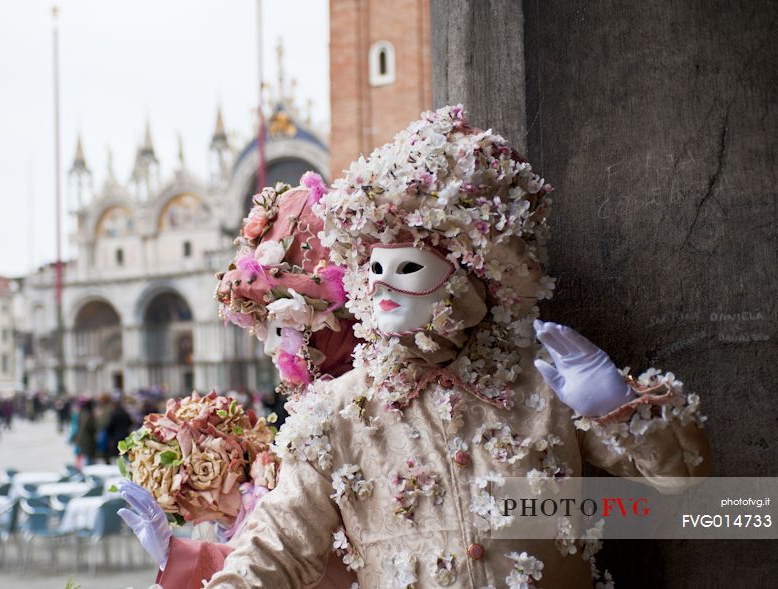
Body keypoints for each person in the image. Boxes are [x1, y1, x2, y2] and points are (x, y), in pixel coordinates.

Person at [202, 105, 712, 588]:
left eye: (408, 268)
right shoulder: (335, 415)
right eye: (375, 269)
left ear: (469, 275)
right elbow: (277, 546)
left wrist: (621, 410)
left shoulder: (543, 385)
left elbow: (683, 483)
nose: (383, 287)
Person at [118, 177, 360, 589]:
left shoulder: (361, 410)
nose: (269, 348)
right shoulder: (314, 412)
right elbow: (286, 548)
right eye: (262, 328)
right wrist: (209, 537)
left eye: (280, 325)